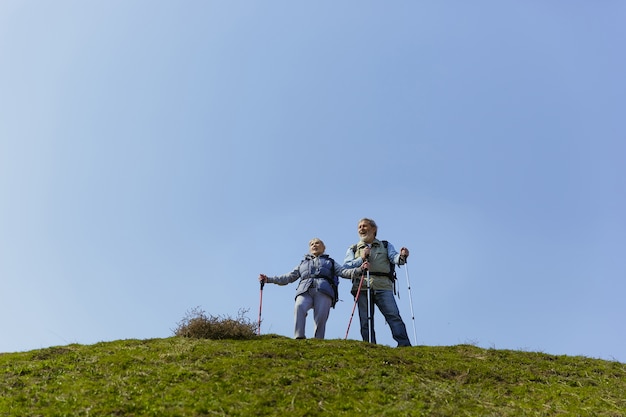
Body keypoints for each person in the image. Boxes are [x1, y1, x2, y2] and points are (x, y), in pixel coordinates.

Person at [259, 238, 367, 340]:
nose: (314, 245)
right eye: (311, 244)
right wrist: (269, 279)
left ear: (324, 248)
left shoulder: (331, 262)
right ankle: (299, 336)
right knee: (299, 306)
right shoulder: (303, 263)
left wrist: (359, 270)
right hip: (304, 290)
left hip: (324, 290)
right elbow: (288, 277)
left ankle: (318, 340)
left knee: (321, 317)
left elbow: (344, 272)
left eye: (317, 243)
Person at [343, 218, 412, 347]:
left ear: (374, 229)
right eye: (359, 227)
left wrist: (402, 256)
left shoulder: (385, 245)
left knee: (393, 315)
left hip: (383, 285)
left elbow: (396, 259)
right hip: (362, 286)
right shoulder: (353, 248)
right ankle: (370, 346)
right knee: (365, 319)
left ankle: (404, 345)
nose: (361, 229)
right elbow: (346, 267)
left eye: (365, 226)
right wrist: (361, 259)